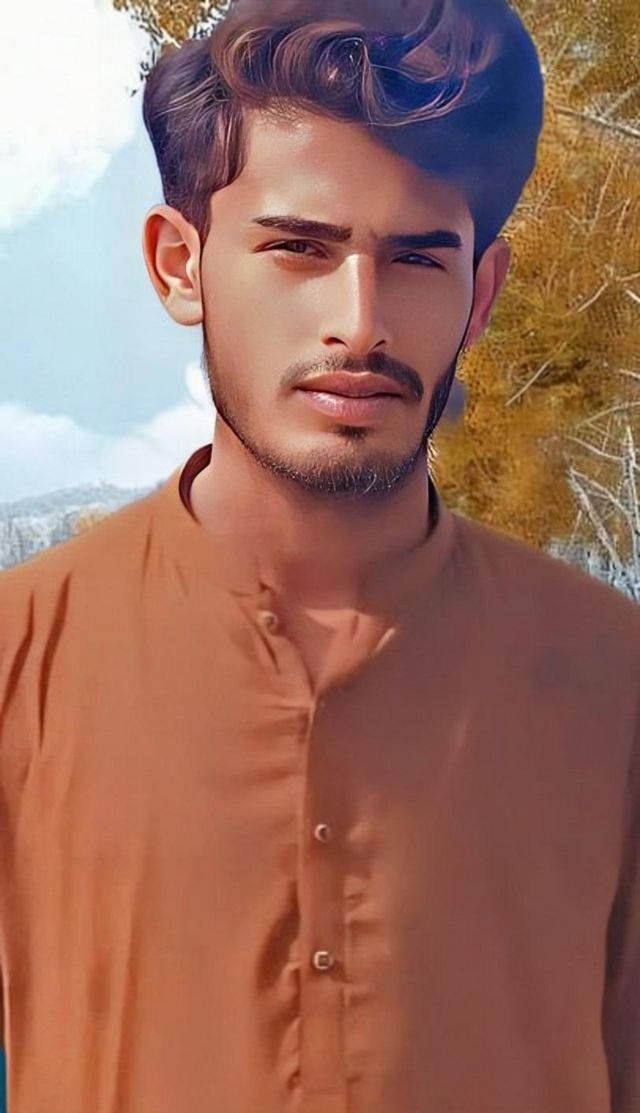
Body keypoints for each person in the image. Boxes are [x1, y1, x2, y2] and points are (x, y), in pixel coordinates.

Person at [0, 0, 638, 1109]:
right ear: (180, 265)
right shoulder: (20, 657)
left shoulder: (615, 677)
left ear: (480, 294)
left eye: (417, 259)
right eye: (299, 248)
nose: (360, 321)